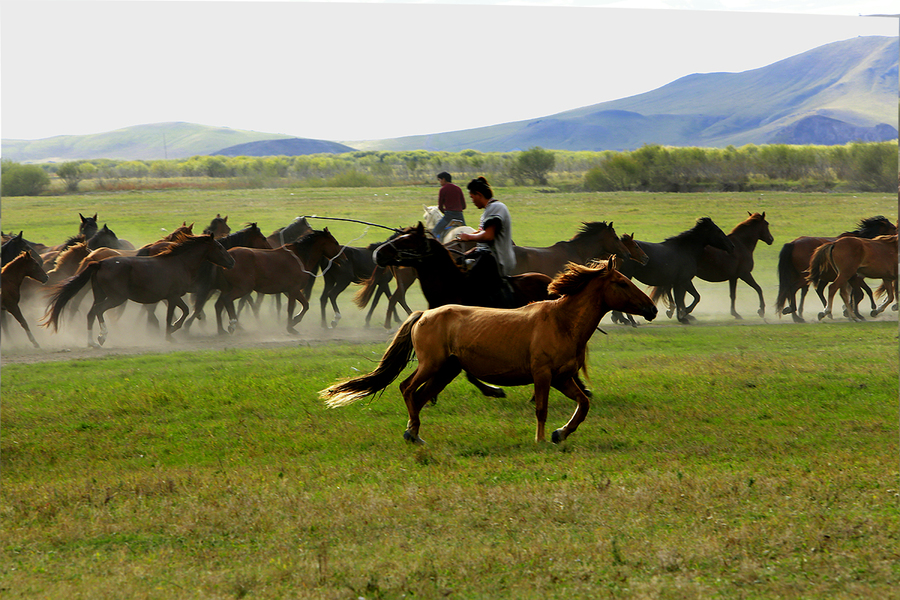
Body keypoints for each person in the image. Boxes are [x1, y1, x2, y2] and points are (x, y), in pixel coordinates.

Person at [457, 176, 517, 282]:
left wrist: (468, 237)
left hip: (495, 259)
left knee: (468, 281)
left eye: (472, 197)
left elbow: (488, 236)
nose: (472, 201)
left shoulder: (496, 208)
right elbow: (482, 234)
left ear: (479, 195)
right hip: (486, 255)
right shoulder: (489, 210)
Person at [431, 172, 466, 241]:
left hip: (448, 216)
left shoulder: (443, 189)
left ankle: (440, 245)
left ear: (443, 179)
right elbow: (464, 206)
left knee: (434, 231)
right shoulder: (458, 189)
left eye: (440, 180)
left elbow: (440, 206)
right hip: (460, 215)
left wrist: (445, 212)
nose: (440, 182)